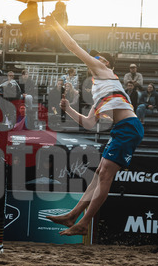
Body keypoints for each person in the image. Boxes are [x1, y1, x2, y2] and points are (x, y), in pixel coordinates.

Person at [44, 17, 144, 236]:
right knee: (99, 173)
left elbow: (73, 46)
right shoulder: (99, 89)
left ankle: (84, 222)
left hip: (128, 127)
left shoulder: (103, 70)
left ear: (105, 62)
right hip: (123, 128)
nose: (93, 59)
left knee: (105, 175)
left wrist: (55, 25)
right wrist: (68, 109)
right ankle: (73, 216)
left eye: (97, 57)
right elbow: (90, 123)